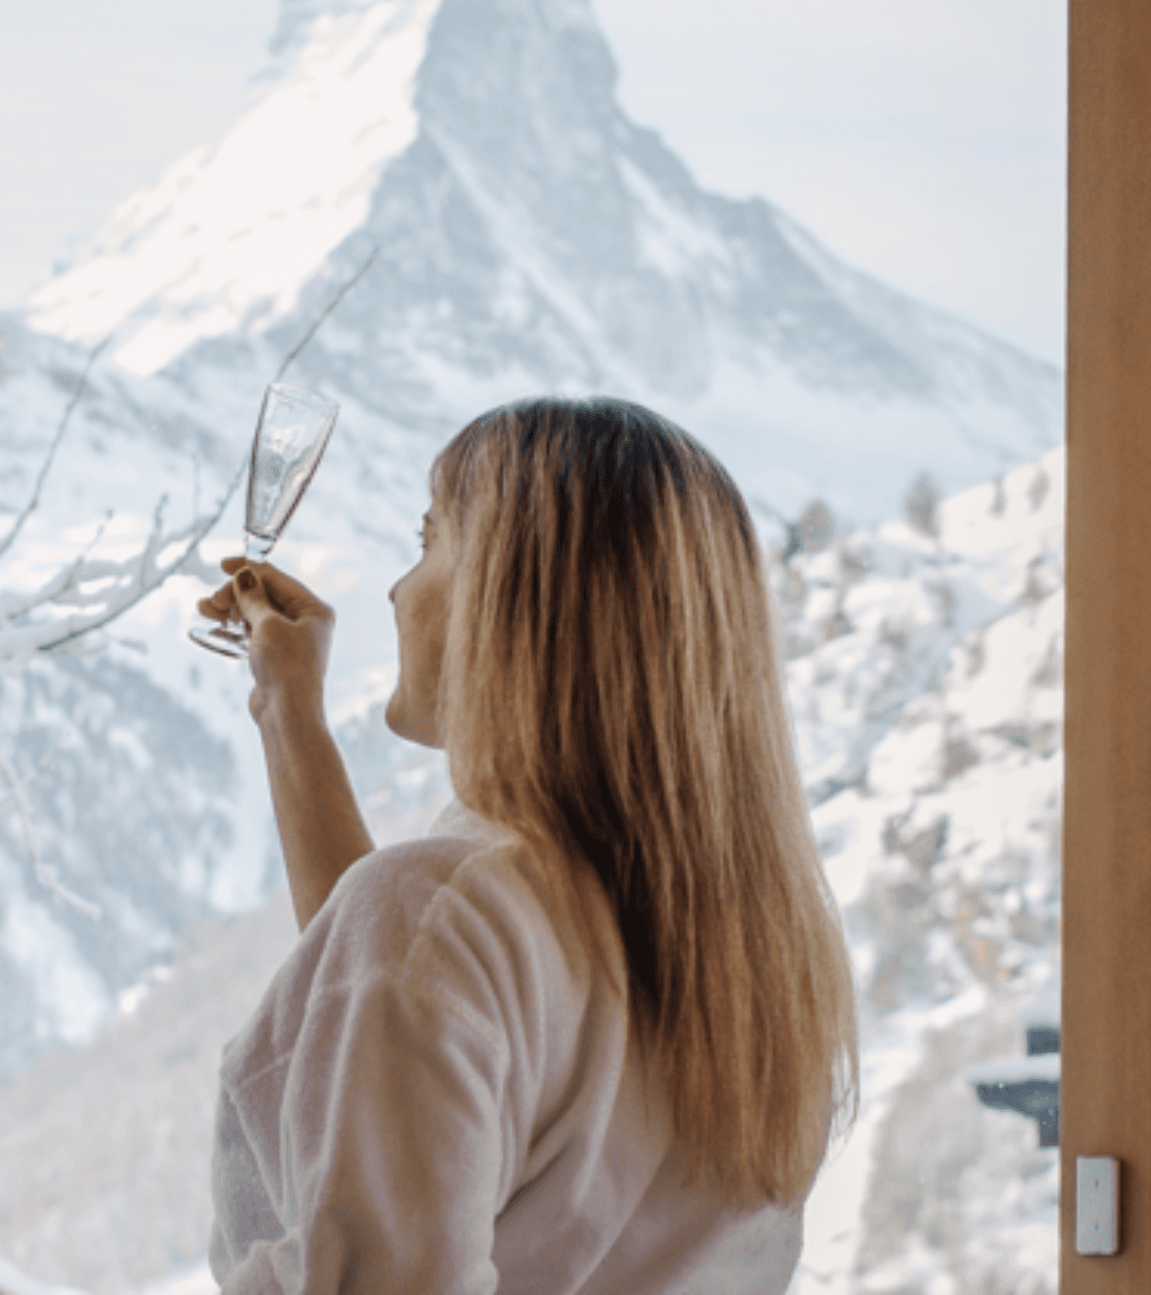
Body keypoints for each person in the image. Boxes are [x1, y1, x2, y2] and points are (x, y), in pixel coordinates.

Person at [193, 396, 858, 1294]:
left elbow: (411, 968)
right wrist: (287, 711)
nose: (396, 589)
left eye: (429, 542)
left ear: (511, 597)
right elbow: (404, 995)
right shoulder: (754, 951)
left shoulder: (443, 917)